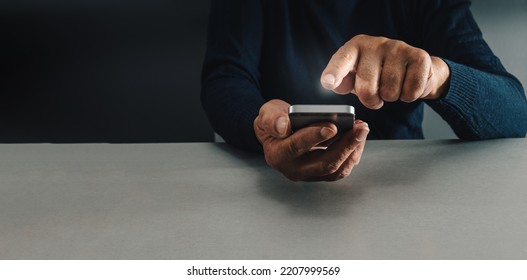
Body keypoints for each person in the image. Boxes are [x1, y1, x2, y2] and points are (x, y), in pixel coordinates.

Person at [201, 0, 527, 181]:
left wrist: (433, 76)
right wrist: (261, 126)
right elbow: (225, 78)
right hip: (268, 181)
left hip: (399, 184)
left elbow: (515, 114)